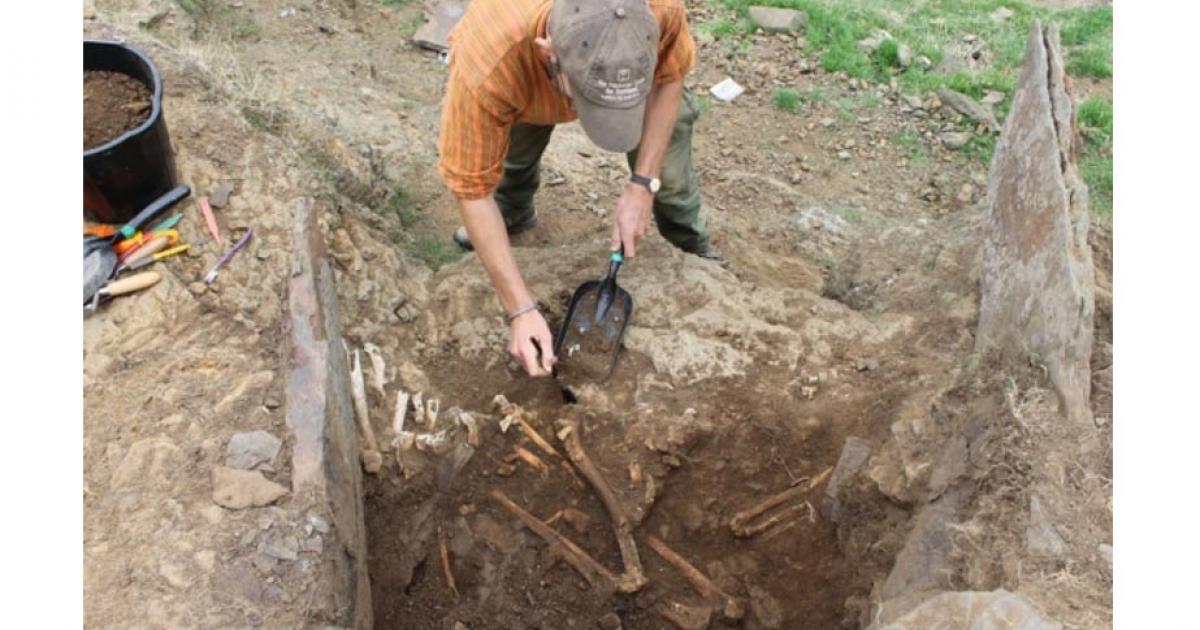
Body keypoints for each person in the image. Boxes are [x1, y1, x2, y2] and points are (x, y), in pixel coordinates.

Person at [437, 0, 715, 379]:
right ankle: (513, 210)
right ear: (548, 52)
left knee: (671, 181)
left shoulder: (657, 9)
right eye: (584, 100)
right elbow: (470, 186)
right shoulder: (489, 64)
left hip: (596, 79)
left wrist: (643, 185)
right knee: (511, 160)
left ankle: (693, 249)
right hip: (522, 75)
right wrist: (520, 309)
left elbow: (668, 77)